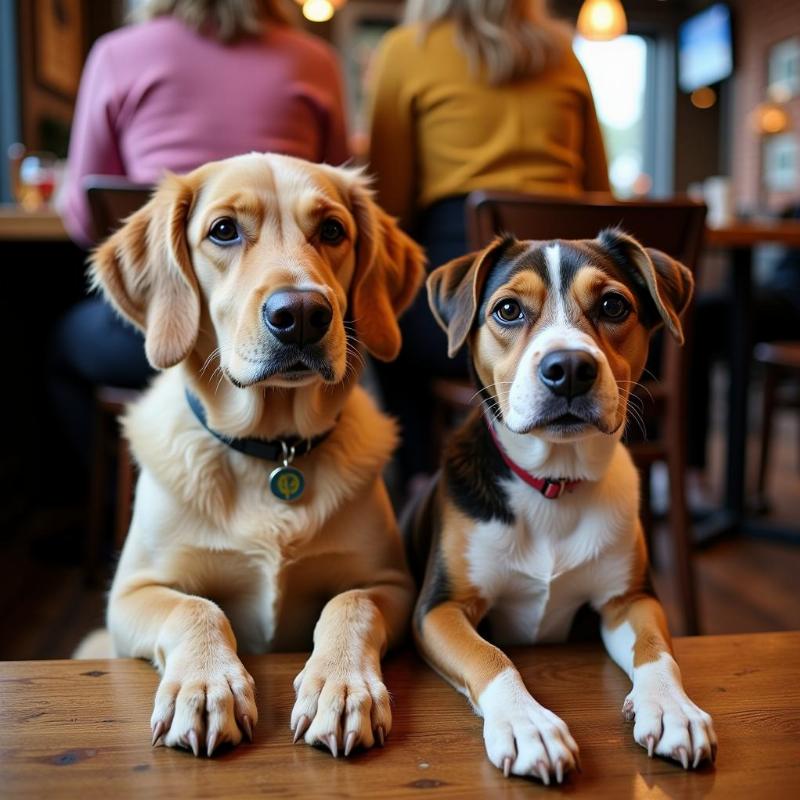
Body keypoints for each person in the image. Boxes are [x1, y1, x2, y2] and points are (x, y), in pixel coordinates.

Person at [52, 0, 349, 471]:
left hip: (168, 330)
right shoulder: (315, 59)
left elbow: (83, 217)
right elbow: (330, 183)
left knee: (62, 346)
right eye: (226, 230)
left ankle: (113, 502)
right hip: (281, 324)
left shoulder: (116, 54)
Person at [366, 0, 610, 489]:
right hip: (580, 308)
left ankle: (420, 481)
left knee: (379, 326)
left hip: (469, 312)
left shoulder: (405, 50)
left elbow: (388, 209)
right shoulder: (564, 53)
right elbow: (601, 195)